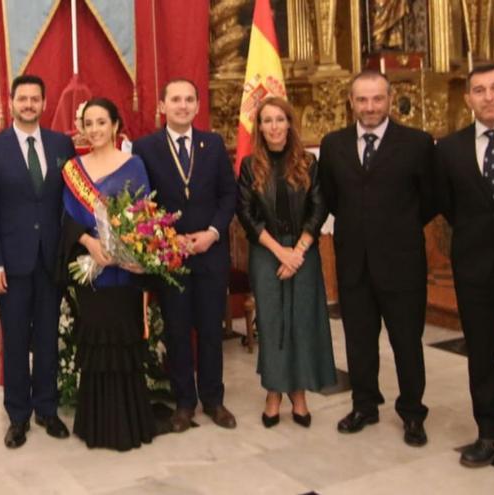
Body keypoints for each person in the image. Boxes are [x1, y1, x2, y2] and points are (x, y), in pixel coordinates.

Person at [318, 70, 435, 447]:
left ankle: (413, 413)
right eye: (362, 100)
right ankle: (364, 405)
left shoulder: (417, 143)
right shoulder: (333, 144)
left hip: (402, 263)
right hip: (353, 262)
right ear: (350, 102)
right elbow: (330, 197)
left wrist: (395, 228)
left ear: (389, 99)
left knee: (406, 342)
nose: (370, 107)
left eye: (377, 99)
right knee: (359, 341)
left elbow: (430, 200)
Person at [132, 78, 238, 432]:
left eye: (188, 99)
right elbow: (141, 203)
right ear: (162, 106)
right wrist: (167, 241)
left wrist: (211, 234)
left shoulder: (213, 143)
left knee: (211, 330)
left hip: (210, 253)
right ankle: (184, 402)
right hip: (170, 257)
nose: (182, 105)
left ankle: (214, 400)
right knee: (177, 331)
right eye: (174, 100)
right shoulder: (145, 148)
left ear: (196, 106)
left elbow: (228, 196)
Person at [0, 75, 75, 448]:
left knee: (48, 336)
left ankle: (46, 408)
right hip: (11, 263)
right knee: (15, 340)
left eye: (35, 98)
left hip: (51, 260)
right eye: (23, 98)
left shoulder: (61, 143)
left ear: (44, 102)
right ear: (12, 102)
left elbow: (68, 202)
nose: (29, 104)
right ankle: (18, 415)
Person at [58, 97, 157, 451]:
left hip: (125, 272)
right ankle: (97, 424)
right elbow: (67, 219)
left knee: (124, 342)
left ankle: (128, 423)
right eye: (89, 123)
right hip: (91, 271)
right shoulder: (72, 169)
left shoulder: (133, 165)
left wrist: (124, 253)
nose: (95, 129)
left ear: (115, 125)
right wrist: (90, 243)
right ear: (81, 128)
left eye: (102, 122)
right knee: (96, 342)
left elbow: (144, 215)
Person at [235, 97, 336, 428]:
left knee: (302, 322)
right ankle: (274, 392)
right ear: (259, 127)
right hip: (267, 252)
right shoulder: (250, 166)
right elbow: (246, 215)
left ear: (290, 123)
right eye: (267, 120)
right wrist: (281, 253)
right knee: (273, 323)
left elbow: (318, 208)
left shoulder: (308, 162)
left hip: (303, 251)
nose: (274, 126)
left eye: (280, 119)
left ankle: (300, 393)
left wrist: (299, 250)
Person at [435, 62, 494, 467]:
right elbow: (447, 203)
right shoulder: (449, 149)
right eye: (480, 90)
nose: (489, 97)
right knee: (481, 353)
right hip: (474, 264)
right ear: (468, 99)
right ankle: (489, 432)